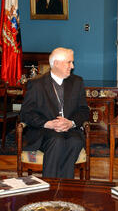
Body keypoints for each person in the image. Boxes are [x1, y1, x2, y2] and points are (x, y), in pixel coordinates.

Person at [20, 47, 90, 179]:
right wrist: (47, 124)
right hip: (44, 131)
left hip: (70, 130)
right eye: (68, 62)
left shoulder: (77, 82)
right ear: (56, 63)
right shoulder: (36, 84)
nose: (72, 66)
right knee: (56, 140)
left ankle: (65, 186)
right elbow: (26, 113)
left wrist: (71, 123)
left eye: (72, 62)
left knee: (75, 141)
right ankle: (51, 186)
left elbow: (84, 110)